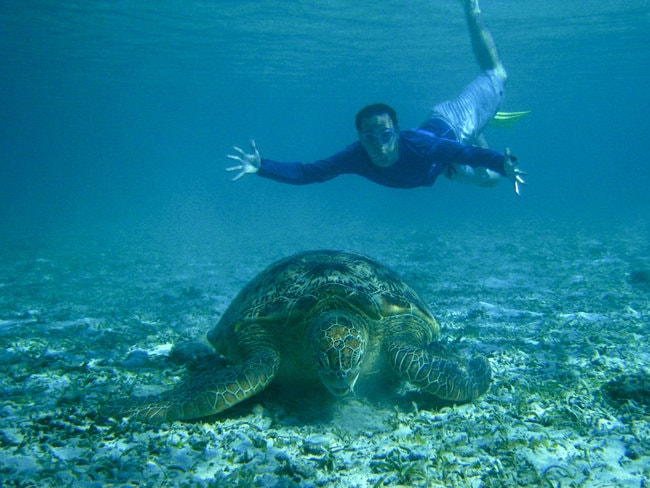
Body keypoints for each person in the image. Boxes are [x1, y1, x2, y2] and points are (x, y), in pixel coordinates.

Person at [226, 0, 526, 195]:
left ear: (396, 131)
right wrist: (261, 166)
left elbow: (467, 154)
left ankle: (471, 8)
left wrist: (503, 162)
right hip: (443, 163)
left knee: (497, 72)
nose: (379, 145)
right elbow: (310, 172)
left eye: (385, 134)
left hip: (456, 119)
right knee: (489, 182)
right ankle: (479, 135)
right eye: (370, 138)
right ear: (359, 138)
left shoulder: (419, 144)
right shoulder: (355, 156)